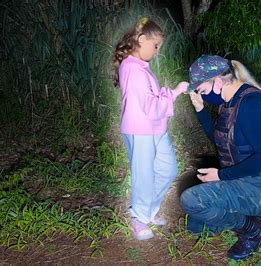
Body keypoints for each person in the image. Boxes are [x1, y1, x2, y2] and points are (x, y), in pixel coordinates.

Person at [180, 55, 261, 260]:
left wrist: (221, 175)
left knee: (192, 200)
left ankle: (255, 228)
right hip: (245, 180)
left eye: (202, 88)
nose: (200, 93)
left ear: (219, 81)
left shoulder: (252, 104)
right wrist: (200, 109)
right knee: (196, 225)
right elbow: (219, 139)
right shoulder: (230, 102)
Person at [112, 17, 189, 240]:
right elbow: (149, 107)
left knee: (168, 169)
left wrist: (169, 94)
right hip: (140, 129)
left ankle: (147, 211)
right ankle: (138, 218)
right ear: (141, 39)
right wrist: (173, 93)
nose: (156, 51)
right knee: (143, 175)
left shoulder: (140, 67)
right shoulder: (133, 69)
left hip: (155, 128)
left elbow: (151, 102)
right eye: (155, 46)